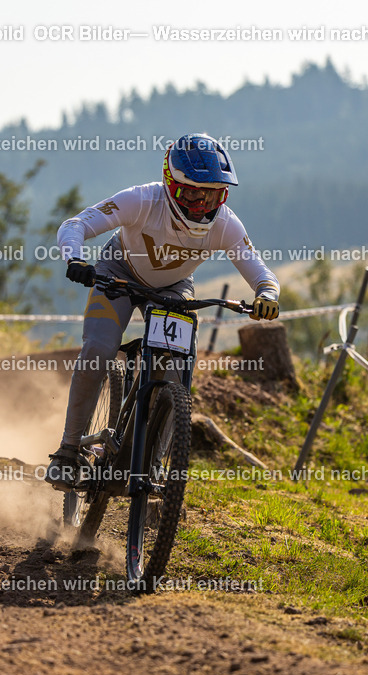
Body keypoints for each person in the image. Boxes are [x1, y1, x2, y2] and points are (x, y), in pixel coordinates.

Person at [45, 132, 281, 491]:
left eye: (213, 195)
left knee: (176, 368)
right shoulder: (140, 200)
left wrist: (266, 293)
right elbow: (75, 225)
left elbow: (260, 272)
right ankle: (67, 451)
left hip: (173, 288)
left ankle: (152, 461)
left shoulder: (226, 224)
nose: (202, 206)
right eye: (193, 194)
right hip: (117, 273)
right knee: (99, 351)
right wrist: (75, 258)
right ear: (171, 185)